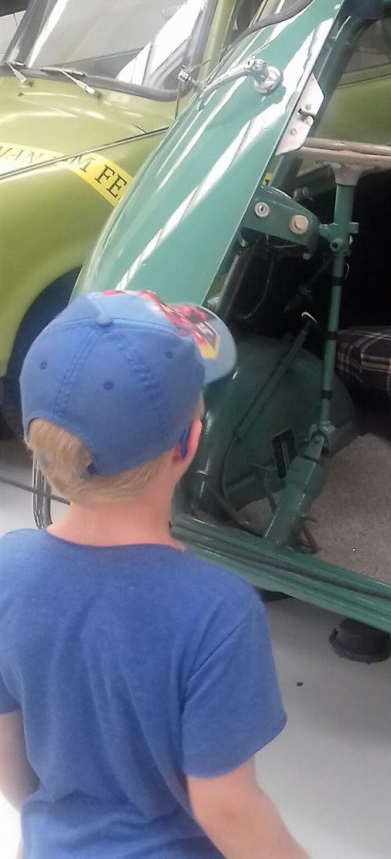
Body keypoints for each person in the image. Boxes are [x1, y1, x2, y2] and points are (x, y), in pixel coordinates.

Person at [0, 290, 308, 859]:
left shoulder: (6, 569)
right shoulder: (216, 611)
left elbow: (9, 758)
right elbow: (228, 809)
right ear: (189, 443)